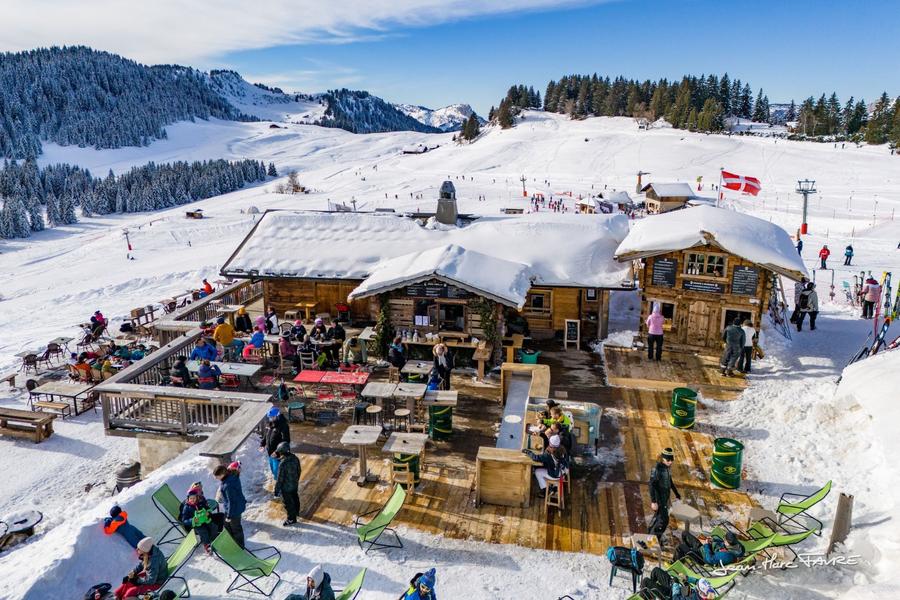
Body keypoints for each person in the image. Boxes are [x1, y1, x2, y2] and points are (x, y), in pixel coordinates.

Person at [648, 447, 681, 542]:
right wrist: (653, 501)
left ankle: (651, 534)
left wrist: (676, 493)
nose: (670, 462)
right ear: (663, 458)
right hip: (659, 498)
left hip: (665, 497)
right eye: (668, 460)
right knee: (663, 521)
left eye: (672, 460)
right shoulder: (657, 469)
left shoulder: (667, 467)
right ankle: (654, 540)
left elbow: (669, 481)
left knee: (659, 518)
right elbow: (651, 484)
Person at [214, 464, 246, 549]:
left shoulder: (228, 485)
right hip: (234, 506)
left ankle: (240, 546)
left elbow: (232, 501)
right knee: (226, 524)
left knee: (236, 528)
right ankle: (233, 541)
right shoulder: (231, 475)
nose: (216, 478)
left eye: (217, 477)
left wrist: (229, 515)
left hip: (234, 509)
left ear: (222, 474)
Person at [273, 441, 301, 525]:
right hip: (294, 484)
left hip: (286, 487)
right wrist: (296, 479)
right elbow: (299, 470)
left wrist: (276, 490)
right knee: (295, 497)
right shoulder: (295, 458)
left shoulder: (283, 464)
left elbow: (280, 479)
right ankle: (296, 512)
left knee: (288, 503)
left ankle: (291, 519)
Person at [261, 407, 291, 480]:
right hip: (270, 453)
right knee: (273, 470)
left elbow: (286, 441)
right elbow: (266, 435)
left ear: (277, 416)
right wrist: (262, 444)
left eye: (272, 417)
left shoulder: (283, 425)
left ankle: (280, 486)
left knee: (278, 472)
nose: (270, 419)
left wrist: (278, 452)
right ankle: (277, 481)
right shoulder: (271, 424)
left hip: (278, 455)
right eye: (270, 417)